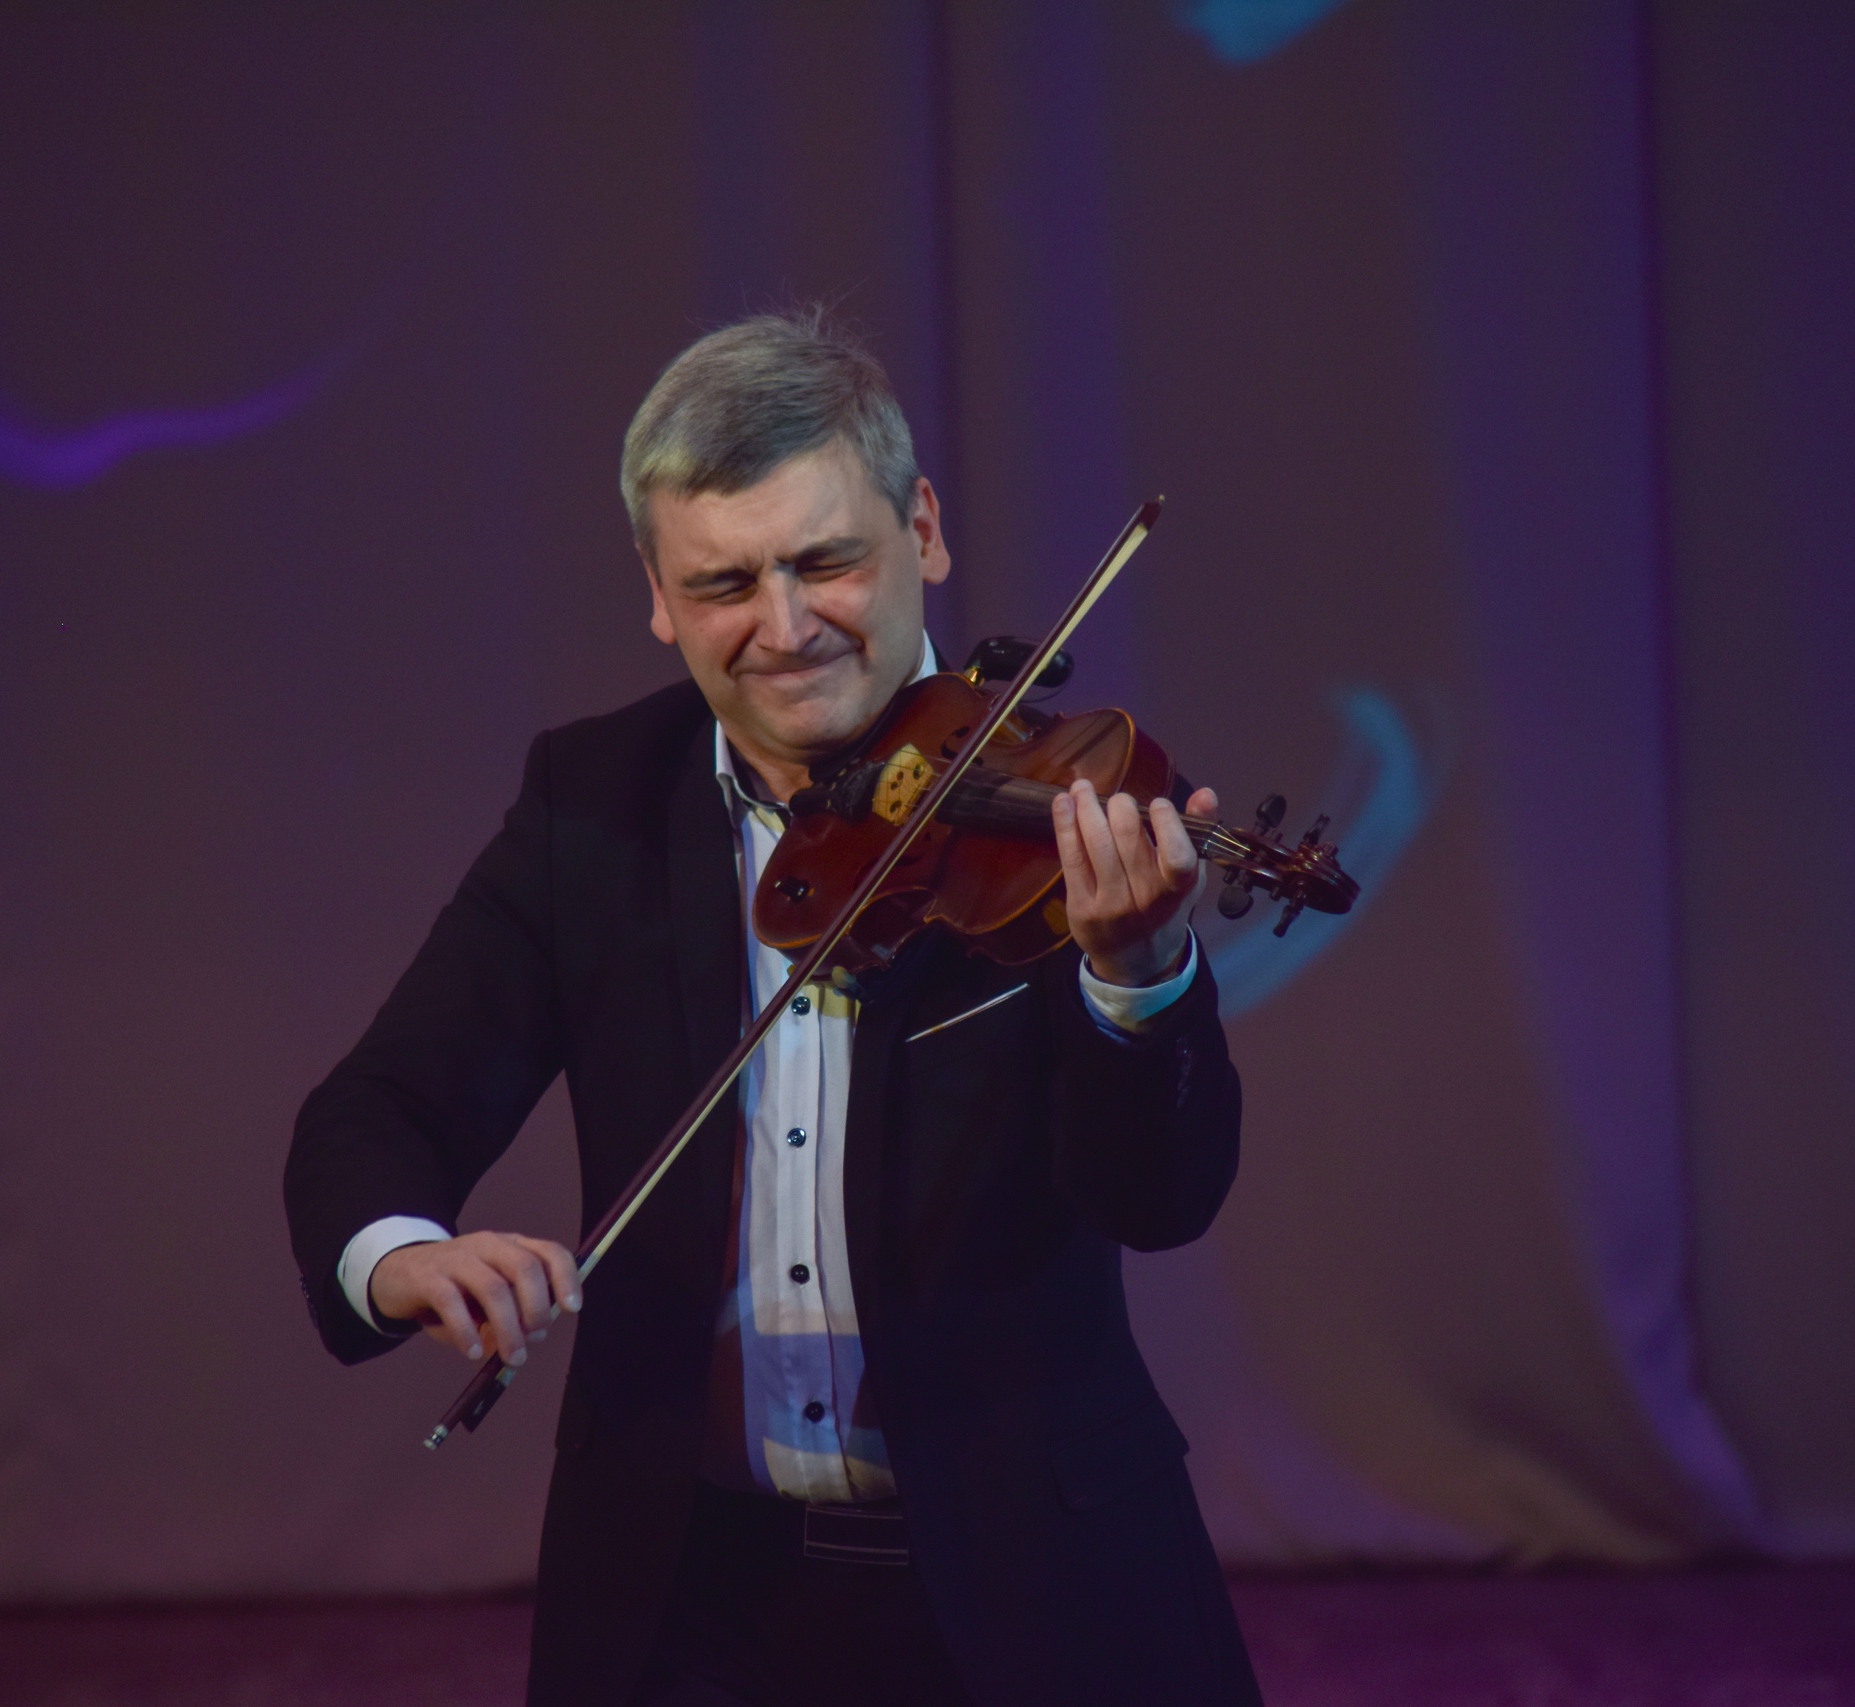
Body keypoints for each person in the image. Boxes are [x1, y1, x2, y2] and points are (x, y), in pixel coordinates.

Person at [284, 308, 1262, 1707]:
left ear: (923, 530)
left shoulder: (1052, 813)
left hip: (1030, 1584)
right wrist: (400, 1256)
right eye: (726, 583)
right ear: (659, 595)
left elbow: (1158, 1196)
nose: (786, 628)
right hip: (688, 1604)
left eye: (826, 561)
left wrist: (1136, 975)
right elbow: (380, 1106)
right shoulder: (593, 808)